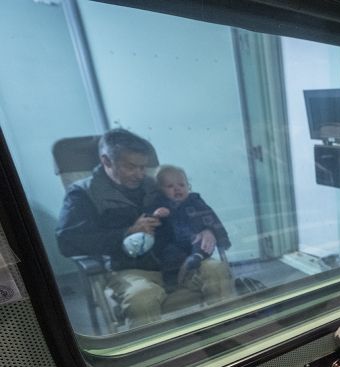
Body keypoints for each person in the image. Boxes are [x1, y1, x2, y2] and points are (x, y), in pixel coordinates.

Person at [56, 128, 232, 328]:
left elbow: (190, 207)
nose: (140, 174)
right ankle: (155, 354)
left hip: (178, 263)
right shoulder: (82, 194)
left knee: (217, 269)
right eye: (131, 167)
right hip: (131, 270)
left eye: (143, 167)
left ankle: (224, 334)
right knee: (142, 297)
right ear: (106, 161)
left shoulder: (154, 184)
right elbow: (68, 242)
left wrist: (206, 229)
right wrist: (127, 232)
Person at [150, 164, 231, 292]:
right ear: (160, 189)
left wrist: (220, 237)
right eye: (170, 186)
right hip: (174, 247)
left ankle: (195, 258)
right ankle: (177, 278)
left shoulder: (195, 201)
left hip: (195, 241)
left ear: (188, 186)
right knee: (169, 253)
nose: (177, 189)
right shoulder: (159, 204)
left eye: (181, 185)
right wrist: (156, 215)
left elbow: (211, 218)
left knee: (203, 242)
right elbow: (153, 229)